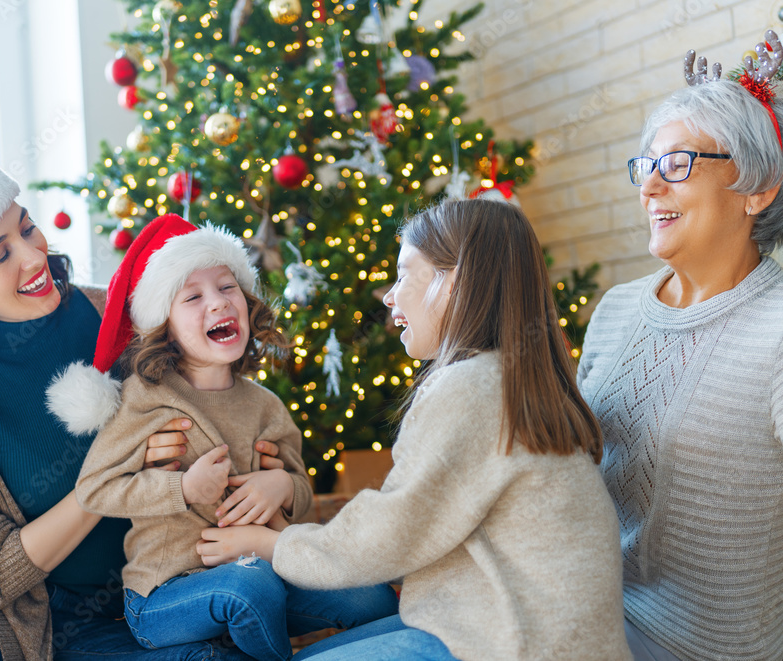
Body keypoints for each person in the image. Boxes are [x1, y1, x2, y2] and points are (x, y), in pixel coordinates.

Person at [0, 150, 283, 661]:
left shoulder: (120, 317)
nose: (33, 256)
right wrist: (115, 473)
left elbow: (230, 411)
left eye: (27, 229)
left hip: (144, 600)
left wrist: (278, 482)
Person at [195, 198, 633, 661]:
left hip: (518, 644)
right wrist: (291, 536)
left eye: (405, 274)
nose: (389, 295)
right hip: (527, 632)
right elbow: (424, 527)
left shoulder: (472, 388)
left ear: (454, 282)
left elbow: (390, 532)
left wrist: (270, 543)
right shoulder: (512, 379)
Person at [45, 214, 399, 661]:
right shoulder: (146, 398)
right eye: (193, 296)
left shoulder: (265, 404)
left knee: (372, 598)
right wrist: (183, 488)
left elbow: (304, 495)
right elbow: (95, 490)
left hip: (265, 573)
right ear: (165, 326)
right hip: (164, 597)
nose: (218, 303)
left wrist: (285, 486)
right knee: (249, 586)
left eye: (227, 287)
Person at [577, 35, 783, 661]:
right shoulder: (614, 310)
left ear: (757, 188)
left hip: (697, 647)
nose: (651, 188)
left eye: (678, 165)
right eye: (647, 167)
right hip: (580, 608)